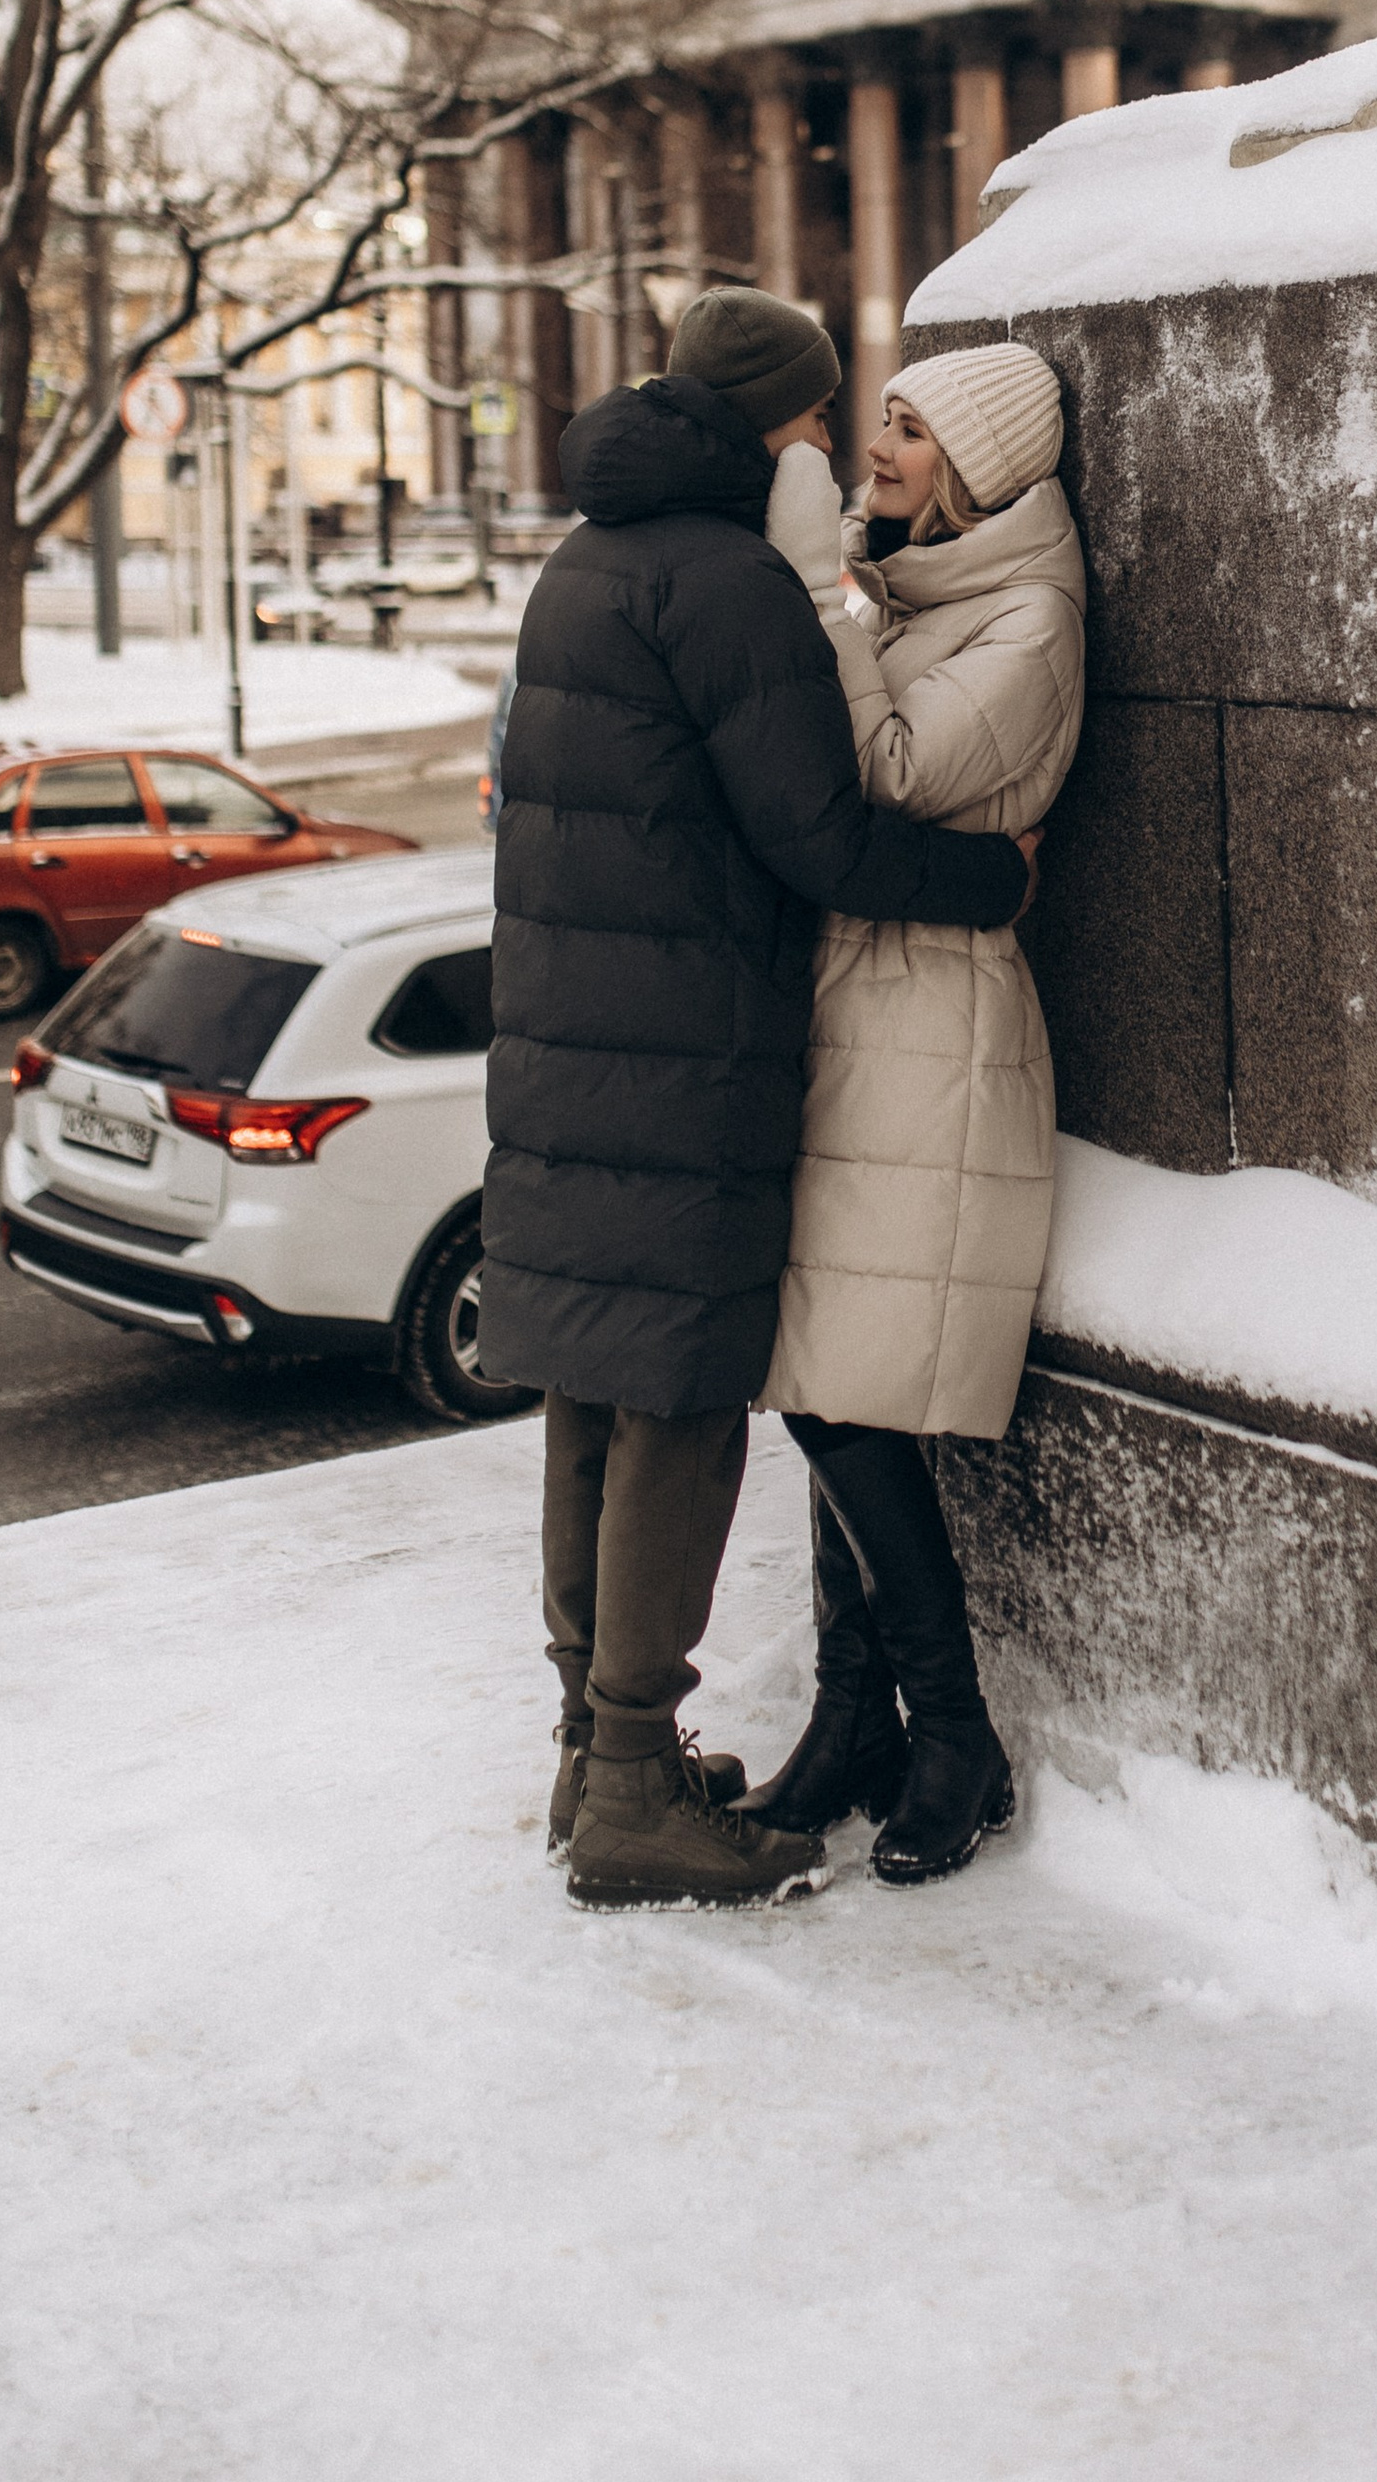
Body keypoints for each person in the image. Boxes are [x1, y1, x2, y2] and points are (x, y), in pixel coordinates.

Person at [476, 287, 1038, 1916]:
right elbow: (817, 831)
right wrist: (986, 877)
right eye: (816, 425)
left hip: (570, 1044)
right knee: (676, 1401)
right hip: (689, 1047)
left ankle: (594, 1749)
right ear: (775, 428)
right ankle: (641, 1790)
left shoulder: (587, 559)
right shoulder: (725, 582)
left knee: (588, 1388)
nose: (830, 453)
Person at [742, 342, 1086, 1886]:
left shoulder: (1030, 621)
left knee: (836, 1391)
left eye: (909, 426)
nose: (878, 445)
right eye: (879, 416)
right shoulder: (923, 597)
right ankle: (854, 1717)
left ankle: (955, 1731)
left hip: (936, 1024)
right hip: (868, 1012)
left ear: (981, 462)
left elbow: (881, 764)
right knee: (830, 1372)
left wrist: (827, 590)